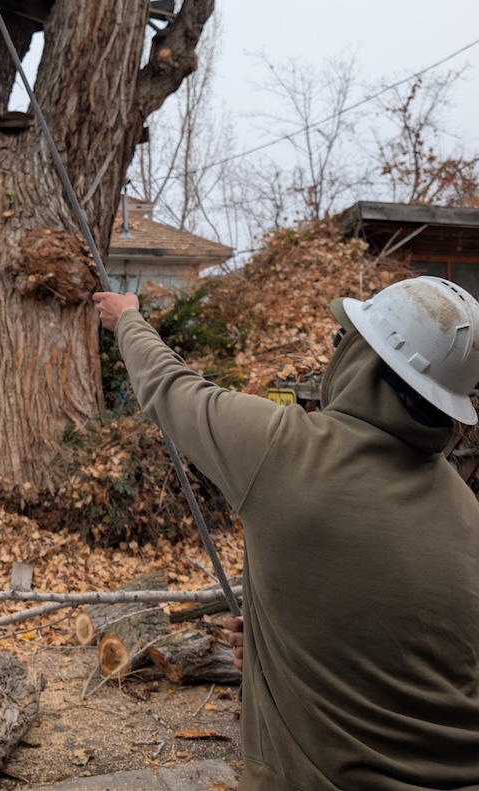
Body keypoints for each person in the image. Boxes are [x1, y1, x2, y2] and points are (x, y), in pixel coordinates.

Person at [93, 276, 479, 790]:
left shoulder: (283, 450)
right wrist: (285, 639)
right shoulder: (465, 507)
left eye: (345, 340)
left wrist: (129, 319)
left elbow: (172, 387)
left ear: (363, 361)